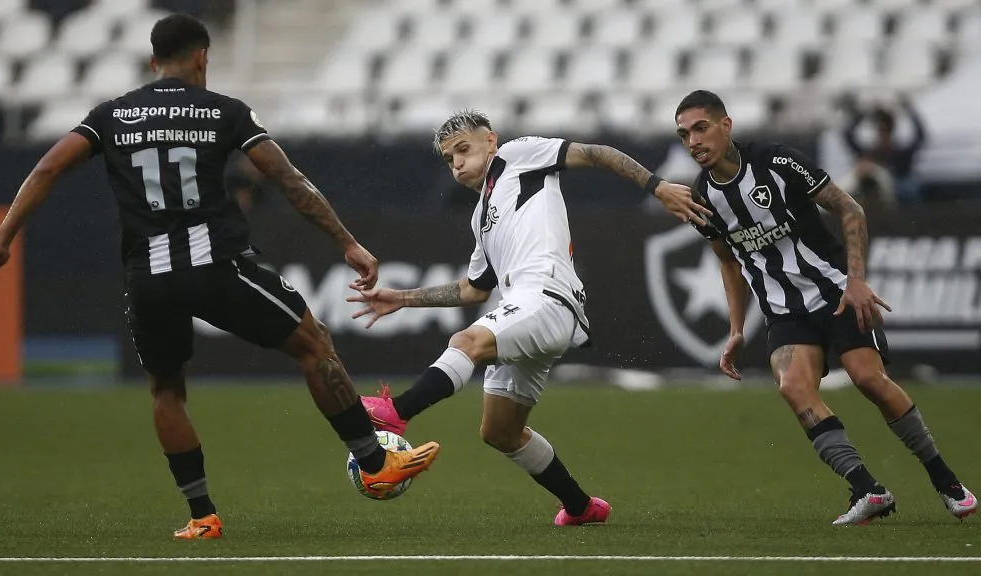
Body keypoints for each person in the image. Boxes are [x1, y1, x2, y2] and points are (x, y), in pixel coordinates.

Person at [0, 14, 439, 540]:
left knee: (166, 391)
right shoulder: (224, 111)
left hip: (147, 276)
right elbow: (288, 179)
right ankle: (374, 464)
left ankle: (202, 515)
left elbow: (46, 169)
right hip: (214, 264)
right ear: (203, 57)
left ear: (153, 62)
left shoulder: (112, 115)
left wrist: (0, 240)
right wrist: (347, 242)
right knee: (314, 344)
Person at [348, 110, 710, 526]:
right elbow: (474, 289)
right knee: (499, 431)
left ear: (491, 140)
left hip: (547, 295)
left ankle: (398, 412)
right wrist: (403, 298)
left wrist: (657, 185)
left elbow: (596, 153)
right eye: (450, 159)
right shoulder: (480, 216)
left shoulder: (518, 156)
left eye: (463, 149)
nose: (458, 163)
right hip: (527, 308)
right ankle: (580, 507)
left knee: (466, 343)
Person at [673, 90, 975, 525]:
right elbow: (727, 260)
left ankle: (946, 481)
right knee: (793, 387)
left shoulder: (776, 162)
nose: (693, 141)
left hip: (835, 291)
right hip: (784, 311)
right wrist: (736, 328)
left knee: (869, 379)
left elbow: (849, 209)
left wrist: (855, 281)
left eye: (701, 128)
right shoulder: (701, 200)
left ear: (726, 126)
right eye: (684, 135)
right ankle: (867, 489)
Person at [843, 95, 927, 206]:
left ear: (891, 130)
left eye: (885, 130)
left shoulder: (900, 153)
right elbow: (848, 135)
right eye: (880, 130)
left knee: (909, 186)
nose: (882, 134)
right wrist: (864, 111)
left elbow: (920, 137)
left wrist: (909, 110)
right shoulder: (870, 154)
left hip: (898, 196)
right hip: (875, 199)